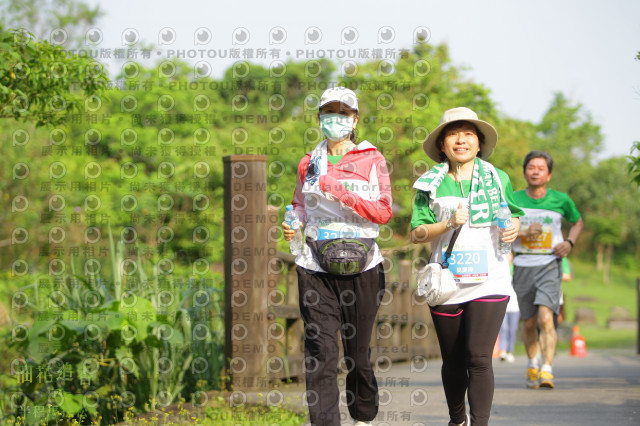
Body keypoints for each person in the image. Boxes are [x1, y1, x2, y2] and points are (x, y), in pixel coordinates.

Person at [282, 86, 392, 426]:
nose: (335, 119)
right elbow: (300, 204)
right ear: (319, 118)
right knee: (321, 352)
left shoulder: (373, 160)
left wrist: (340, 191)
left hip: (363, 266)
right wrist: (292, 222)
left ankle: (362, 415)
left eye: (343, 113)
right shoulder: (308, 163)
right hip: (315, 265)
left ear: (355, 119)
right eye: (329, 113)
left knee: (357, 354)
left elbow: (384, 212)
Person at [411, 107, 523, 426]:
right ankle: (457, 418)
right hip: (447, 282)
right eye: (454, 133)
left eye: (469, 133)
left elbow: (512, 214)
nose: (461, 139)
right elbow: (417, 232)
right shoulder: (429, 184)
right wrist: (446, 223)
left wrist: (513, 225)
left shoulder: (497, 178)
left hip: (491, 279)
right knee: (455, 361)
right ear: (442, 144)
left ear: (479, 143)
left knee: (478, 356)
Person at [512, 150, 584, 390]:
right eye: (531, 167)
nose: (535, 171)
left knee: (546, 318)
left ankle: (547, 370)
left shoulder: (561, 200)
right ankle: (533, 363)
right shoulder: (513, 200)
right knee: (530, 323)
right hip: (522, 264)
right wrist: (523, 232)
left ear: (549, 175)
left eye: (540, 168)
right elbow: (500, 228)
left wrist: (569, 243)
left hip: (549, 264)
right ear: (524, 172)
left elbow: (578, 221)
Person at [499, 253, 520, 363]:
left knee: (513, 329)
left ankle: (510, 351)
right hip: (503, 304)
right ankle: (502, 350)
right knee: (503, 328)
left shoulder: (516, 269)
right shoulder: (499, 269)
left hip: (515, 305)